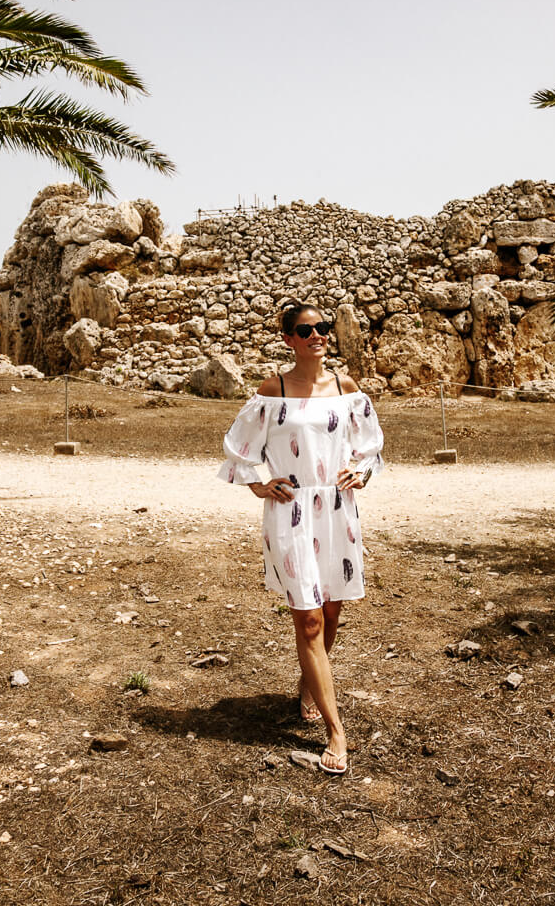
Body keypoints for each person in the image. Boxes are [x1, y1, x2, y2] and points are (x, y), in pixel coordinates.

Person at [218, 301, 384, 775]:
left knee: (330, 611)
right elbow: (238, 447)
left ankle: (309, 683)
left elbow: (371, 445)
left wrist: (361, 472)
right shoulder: (275, 389)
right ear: (289, 339)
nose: (317, 335)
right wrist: (258, 483)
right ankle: (337, 732)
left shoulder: (346, 389)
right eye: (306, 330)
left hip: (336, 510)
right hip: (290, 513)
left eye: (323, 327)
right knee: (308, 621)